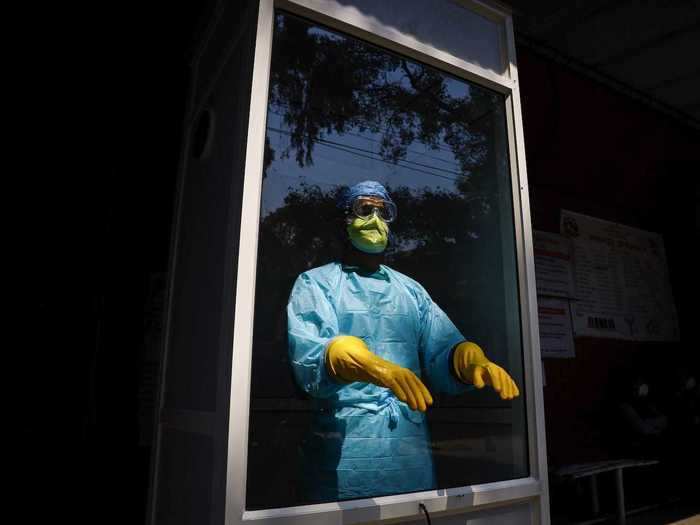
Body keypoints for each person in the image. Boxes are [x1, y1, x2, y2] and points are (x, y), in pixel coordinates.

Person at [287, 180, 520, 502]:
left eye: (384, 212)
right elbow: (312, 352)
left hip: (408, 448)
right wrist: (368, 365)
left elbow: (442, 345)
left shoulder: (409, 290)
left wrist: (469, 359)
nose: (375, 220)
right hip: (346, 448)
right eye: (364, 209)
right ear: (344, 218)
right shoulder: (317, 283)